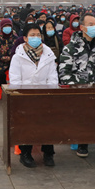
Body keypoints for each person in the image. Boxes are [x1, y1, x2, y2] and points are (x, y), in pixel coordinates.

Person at [59, 13, 95, 158]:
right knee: (84, 111)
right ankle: (83, 143)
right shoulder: (71, 48)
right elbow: (64, 73)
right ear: (82, 27)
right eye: (91, 25)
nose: (94, 27)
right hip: (79, 91)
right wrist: (78, 88)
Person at [9, 23, 58, 167]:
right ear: (25, 38)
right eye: (32, 35)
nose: (35, 38)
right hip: (25, 98)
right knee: (27, 122)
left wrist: (47, 94)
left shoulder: (48, 55)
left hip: (44, 96)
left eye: (38, 35)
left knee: (48, 121)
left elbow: (53, 78)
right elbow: (15, 80)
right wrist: (26, 96)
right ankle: (25, 153)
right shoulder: (18, 57)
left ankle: (48, 153)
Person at [0, 18, 18, 87]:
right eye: (5, 26)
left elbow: (19, 51)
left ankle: (15, 88)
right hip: (0, 63)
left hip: (13, 62)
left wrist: (11, 58)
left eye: (9, 26)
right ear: (1, 28)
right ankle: (5, 88)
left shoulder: (15, 39)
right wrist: (3, 58)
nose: (7, 28)